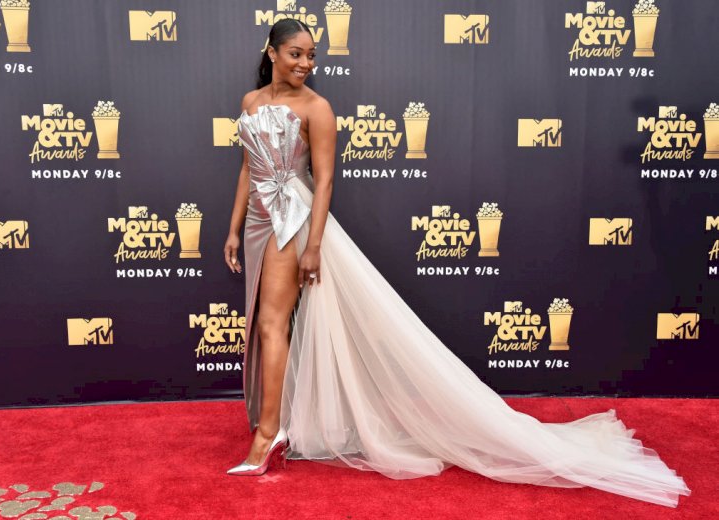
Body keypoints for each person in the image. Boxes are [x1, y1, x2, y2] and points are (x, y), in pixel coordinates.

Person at [223, 19, 691, 508]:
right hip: (257, 223)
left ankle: (267, 437)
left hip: (291, 222)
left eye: (312, 55)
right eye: (296, 53)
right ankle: (275, 424)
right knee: (266, 327)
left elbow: (325, 182)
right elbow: (247, 170)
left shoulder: (318, 109)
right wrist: (234, 228)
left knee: (272, 328)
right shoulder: (250, 103)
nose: (305, 64)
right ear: (272, 52)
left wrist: (313, 244)